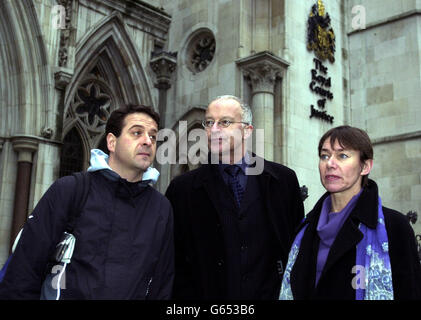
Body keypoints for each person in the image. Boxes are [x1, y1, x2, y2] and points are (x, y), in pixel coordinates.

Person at [0, 104, 174, 299]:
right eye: (136, 133)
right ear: (112, 142)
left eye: (153, 136)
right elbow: (24, 271)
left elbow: (162, 283)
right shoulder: (70, 190)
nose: (147, 142)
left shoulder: (160, 209)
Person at [165, 95, 304, 300]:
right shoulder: (182, 189)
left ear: (247, 131)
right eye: (209, 123)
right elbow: (173, 259)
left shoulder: (283, 180)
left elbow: (295, 250)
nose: (213, 130)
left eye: (225, 122)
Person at [279, 125, 421, 300]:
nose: (330, 163)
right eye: (324, 155)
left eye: (342, 156)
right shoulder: (306, 227)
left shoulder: (395, 227)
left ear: (365, 166)